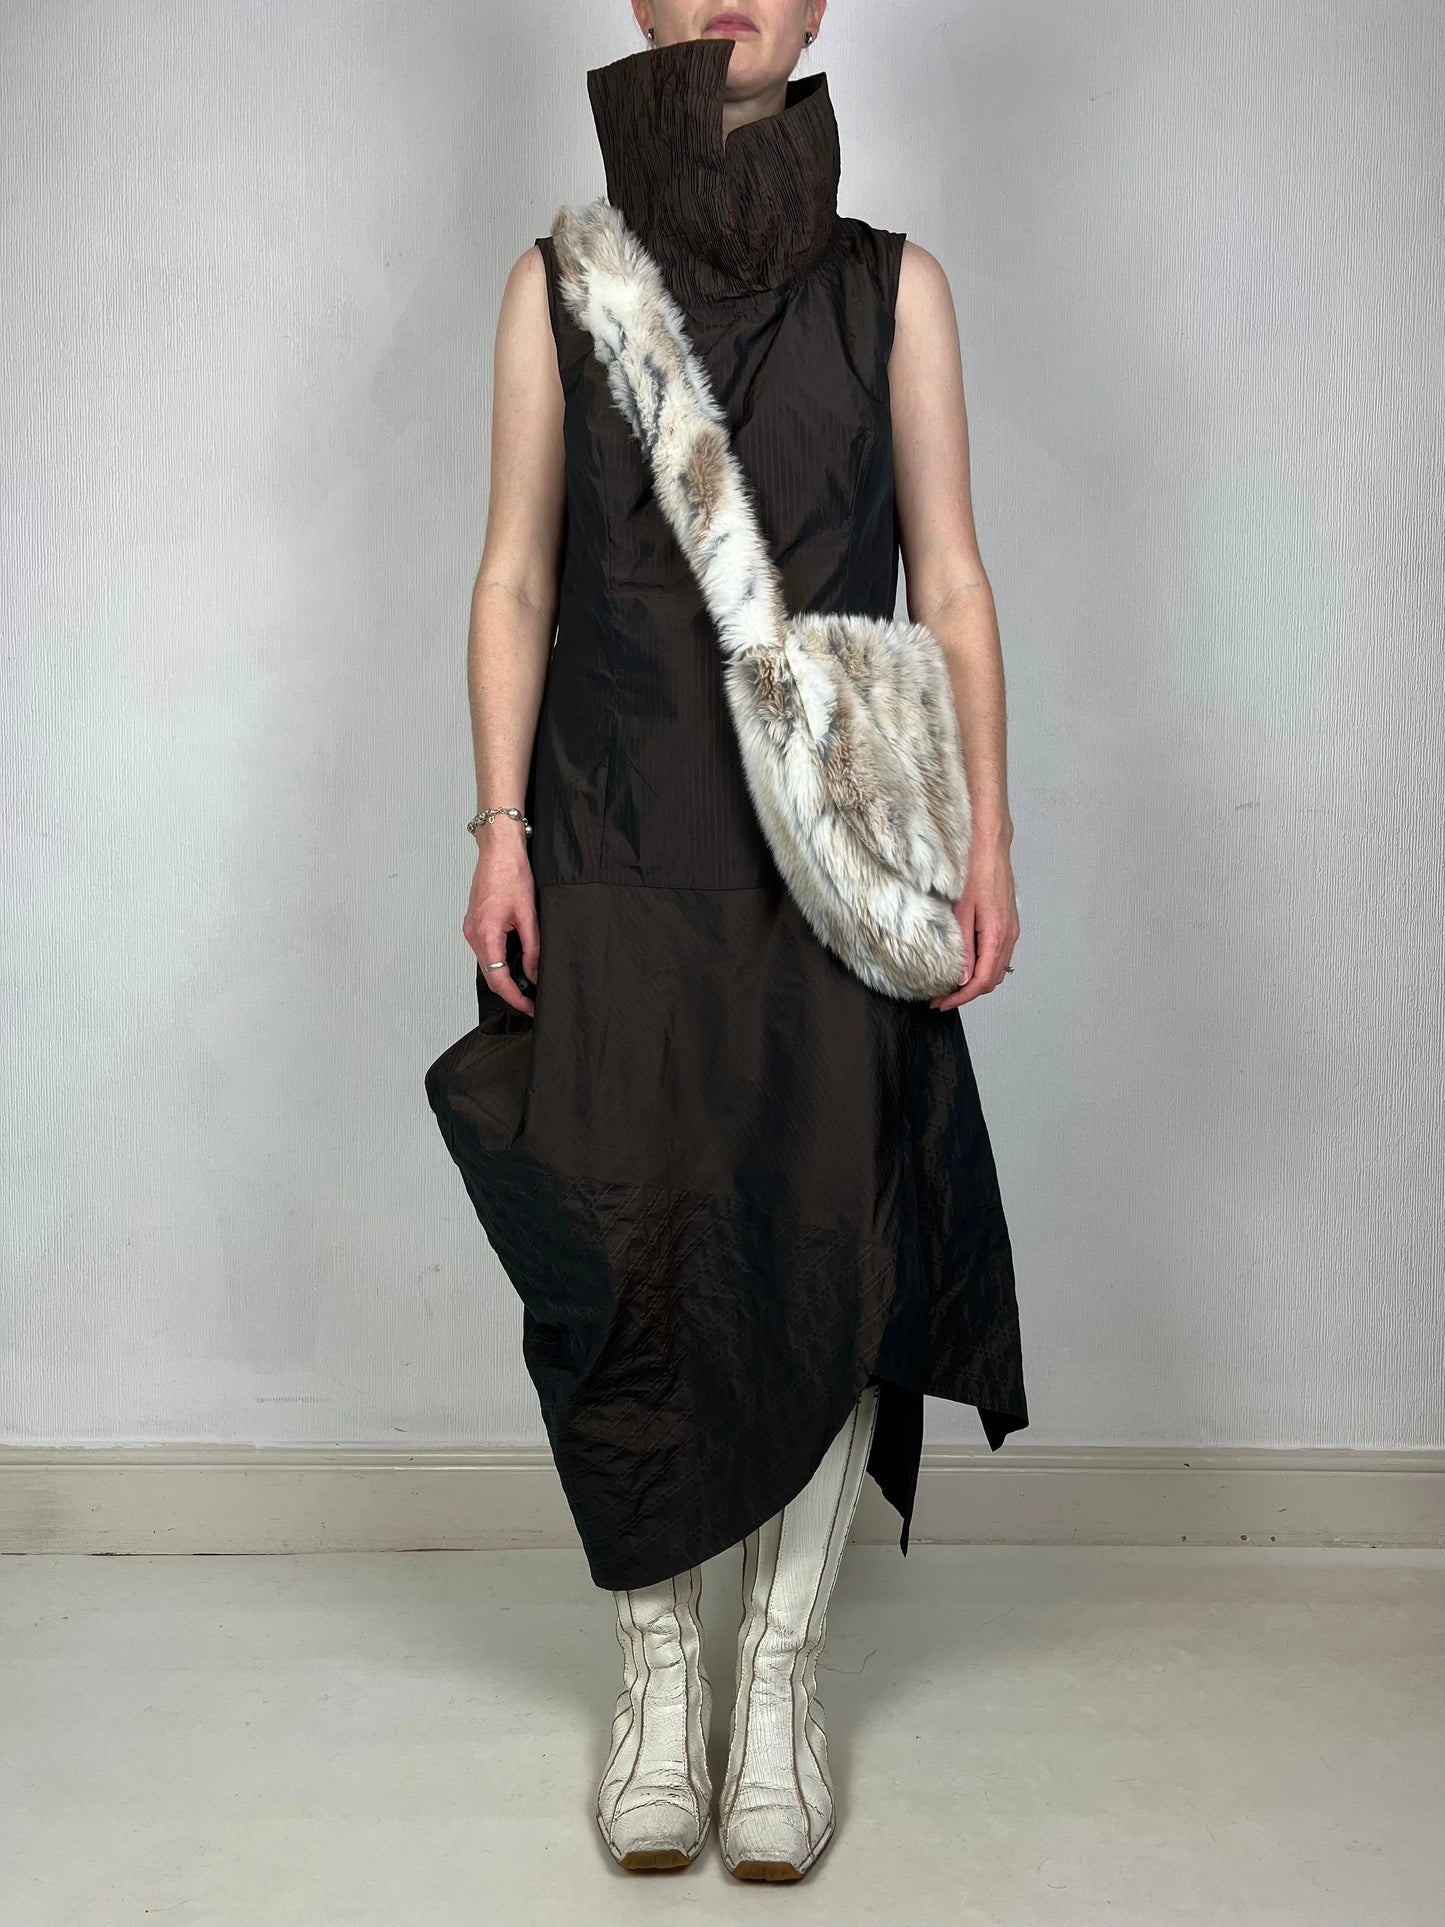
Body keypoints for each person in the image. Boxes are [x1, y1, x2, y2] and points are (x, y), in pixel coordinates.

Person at [425, 0, 1028, 1883]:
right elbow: (516, 571)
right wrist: (501, 829)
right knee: (620, 1250)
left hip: (833, 846)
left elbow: (952, 577)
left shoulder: (893, 291)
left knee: (824, 1240)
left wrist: (985, 837)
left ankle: (774, 1685)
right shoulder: (557, 287)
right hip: (610, 831)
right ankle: (656, 1673)